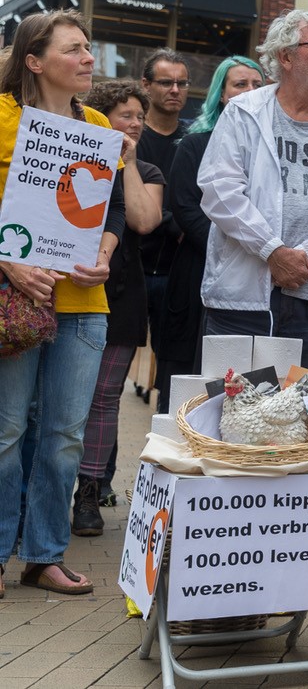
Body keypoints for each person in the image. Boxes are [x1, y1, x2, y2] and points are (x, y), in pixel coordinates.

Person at [0, 10, 125, 596]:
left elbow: (114, 210)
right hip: (15, 299)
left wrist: (105, 252)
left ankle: (44, 554)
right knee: (5, 434)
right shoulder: (0, 117)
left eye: (88, 48)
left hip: (83, 299)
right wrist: (9, 262)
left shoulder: (98, 124)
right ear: (34, 60)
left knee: (64, 436)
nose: (88, 58)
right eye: (74, 49)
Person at [198, 10, 308, 373]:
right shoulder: (243, 113)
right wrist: (272, 251)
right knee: (230, 414)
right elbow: (220, 191)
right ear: (286, 56)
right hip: (242, 300)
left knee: (305, 419)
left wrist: (305, 258)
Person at [72, 81, 164, 537]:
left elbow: (144, 221)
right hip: (68, 284)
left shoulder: (145, 169)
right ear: (100, 116)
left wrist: (124, 160)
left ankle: (89, 493)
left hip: (124, 294)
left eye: (139, 117)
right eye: (124, 115)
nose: (134, 123)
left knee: (105, 398)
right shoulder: (73, 157)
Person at [156, 56, 265, 400]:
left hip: (254, 278)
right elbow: (186, 208)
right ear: (221, 94)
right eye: (239, 84)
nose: (249, 91)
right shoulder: (195, 143)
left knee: (241, 382)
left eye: (257, 85)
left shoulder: (271, 149)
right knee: (187, 380)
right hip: (199, 271)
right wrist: (242, 245)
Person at [137, 48, 192, 413]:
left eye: (182, 83)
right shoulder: (131, 134)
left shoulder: (194, 141)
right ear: (146, 85)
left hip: (177, 272)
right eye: (166, 82)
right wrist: (175, 221)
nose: (175, 89)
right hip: (130, 267)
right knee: (108, 371)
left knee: (173, 372)